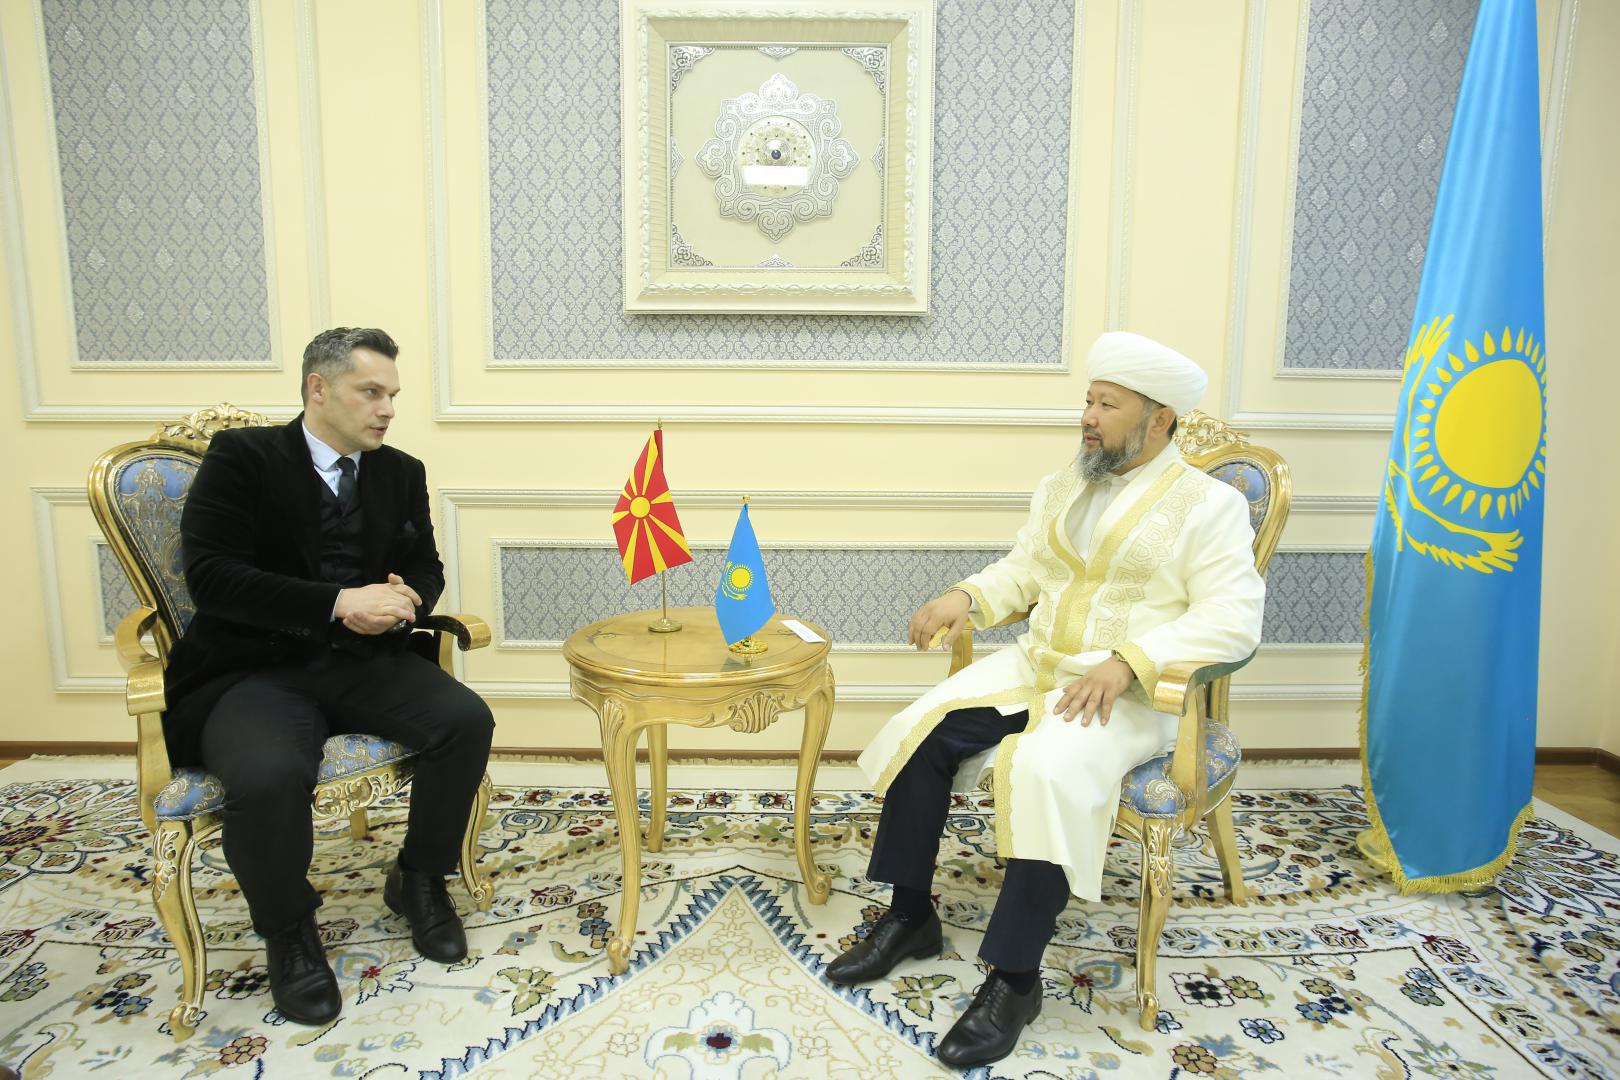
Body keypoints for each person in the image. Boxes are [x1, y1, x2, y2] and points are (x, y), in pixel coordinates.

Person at [827, 332, 1265, 1068]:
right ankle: (909, 916)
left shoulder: (1210, 506)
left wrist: (1129, 662)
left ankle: (1015, 980)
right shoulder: (1067, 483)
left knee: (1045, 773)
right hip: (1038, 666)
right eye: (1089, 401)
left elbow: (1233, 617)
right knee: (922, 733)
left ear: (1159, 419)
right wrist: (967, 596)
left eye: (1107, 405)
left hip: (1126, 693)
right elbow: (1026, 568)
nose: (1088, 417)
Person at [163, 327, 495, 1025]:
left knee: (466, 721)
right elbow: (213, 579)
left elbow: (424, 564)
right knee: (268, 775)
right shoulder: (242, 458)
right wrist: (341, 601)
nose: (387, 409)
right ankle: (289, 931)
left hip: (364, 661)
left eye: (392, 394)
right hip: (254, 670)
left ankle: (419, 877)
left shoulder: (399, 471)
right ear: (319, 388)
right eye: (370, 392)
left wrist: (408, 597)